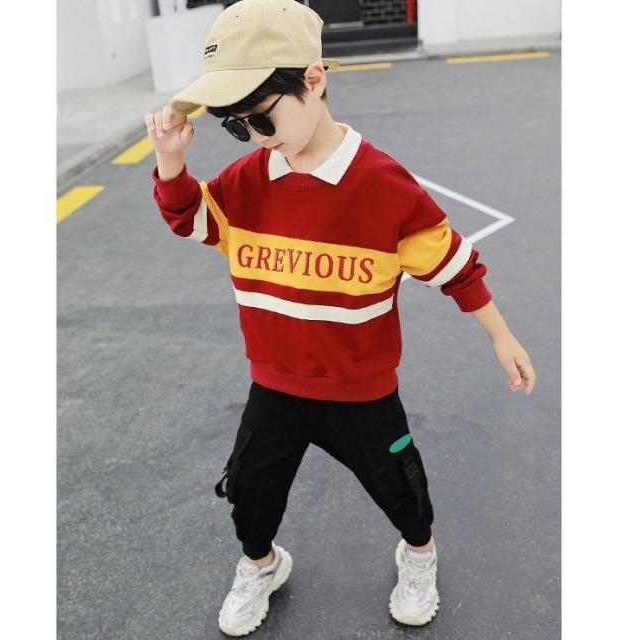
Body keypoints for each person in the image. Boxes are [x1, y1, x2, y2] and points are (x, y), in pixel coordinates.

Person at [145, 0, 536, 636]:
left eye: (262, 117)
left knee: (401, 491)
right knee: (249, 493)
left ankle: (419, 556)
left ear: (314, 78)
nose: (256, 137)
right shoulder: (247, 180)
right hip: (275, 383)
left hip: (362, 391)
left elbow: (455, 268)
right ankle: (262, 565)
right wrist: (170, 160)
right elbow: (191, 219)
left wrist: (502, 336)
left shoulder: (383, 187)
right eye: (237, 127)